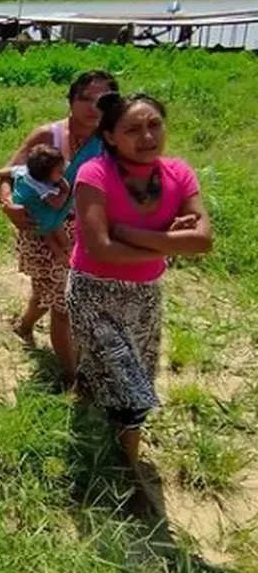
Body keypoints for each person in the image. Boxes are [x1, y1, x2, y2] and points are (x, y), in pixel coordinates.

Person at [69, 93, 212, 481]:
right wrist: (167, 241)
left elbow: (202, 241)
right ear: (111, 137)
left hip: (147, 293)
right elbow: (100, 249)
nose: (147, 136)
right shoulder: (94, 175)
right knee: (130, 383)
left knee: (135, 367)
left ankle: (85, 408)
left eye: (154, 125)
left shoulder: (178, 173)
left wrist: (134, 233)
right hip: (94, 291)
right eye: (133, 129)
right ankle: (125, 466)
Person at [0, 69, 119, 384]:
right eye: (85, 99)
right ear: (71, 100)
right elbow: (9, 175)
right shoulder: (47, 136)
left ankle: (24, 325)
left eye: (102, 101)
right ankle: (73, 376)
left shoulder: (112, 142)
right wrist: (9, 206)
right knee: (63, 304)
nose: (93, 107)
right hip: (41, 227)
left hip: (86, 232)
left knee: (51, 294)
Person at [0, 145, 71, 260]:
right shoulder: (42, 188)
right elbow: (57, 205)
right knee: (56, 226)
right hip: (37, 218)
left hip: (30, 216)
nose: (63, 172)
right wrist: (65, 192)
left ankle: (60, 255)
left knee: (47, 236)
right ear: (45, 176)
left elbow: (9, 171)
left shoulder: (23, 171)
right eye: (60, 171)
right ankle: (67, 248)